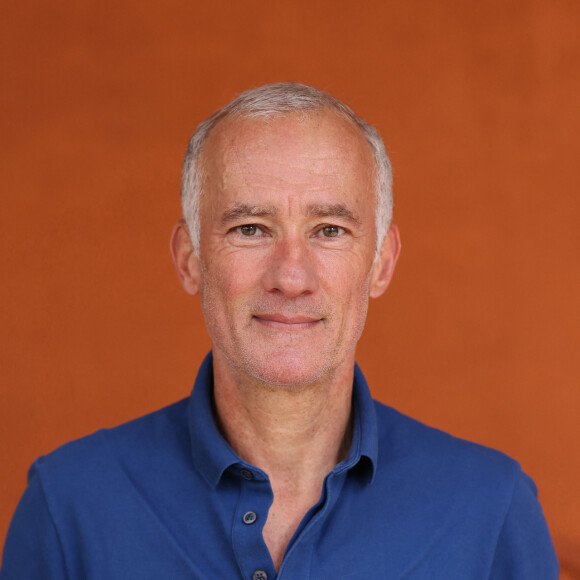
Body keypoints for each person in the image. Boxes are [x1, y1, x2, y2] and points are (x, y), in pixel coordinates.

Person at [1, 83, 558, 579]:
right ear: (191, 258)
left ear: (381, 263)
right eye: (250, 228)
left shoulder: (491, 511)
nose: (291, 276)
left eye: (330, 229)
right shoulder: (68, 507)